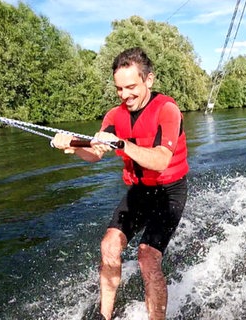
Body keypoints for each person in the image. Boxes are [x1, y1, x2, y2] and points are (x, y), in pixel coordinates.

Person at [51, 47, 188, 320]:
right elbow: (95, 152)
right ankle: (104, 316)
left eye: (131, 87)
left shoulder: (168, 111)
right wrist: (70, 145)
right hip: (140, 190)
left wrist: (123, 144)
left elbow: (161, 160)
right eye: (119, 89)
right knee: (109, 247)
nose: (125, 95)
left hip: (169, 191)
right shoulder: (114, 116)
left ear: (149, 80)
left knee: (147, 257)